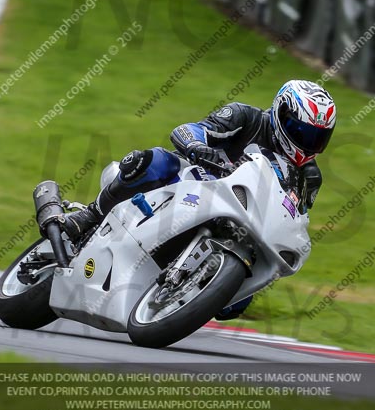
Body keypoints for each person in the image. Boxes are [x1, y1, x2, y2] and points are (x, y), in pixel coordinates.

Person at [61, 79, 336, 319]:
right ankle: (90, 216)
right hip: (196, 180)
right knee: (154, 161)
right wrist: (196, 146)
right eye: (300, 130)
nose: (307, 141)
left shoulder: (310, 177)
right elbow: (189, 130)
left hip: (244, 221)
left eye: (317, 137)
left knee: (235, 306)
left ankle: (189, 287)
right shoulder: (246, 118)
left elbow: (296, 216)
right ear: (280, 112)